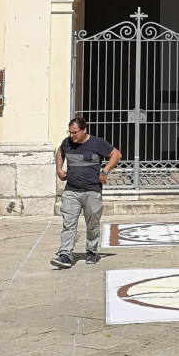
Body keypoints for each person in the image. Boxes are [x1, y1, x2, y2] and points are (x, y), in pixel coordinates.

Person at [51, 113, 120, 269]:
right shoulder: (67, 142)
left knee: (92, 225)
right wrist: (59, 170)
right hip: (71, 191)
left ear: (84, 130)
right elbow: (60, 152)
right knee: (69, 224)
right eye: (70, 132)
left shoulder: (97, 143)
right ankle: (65, 255)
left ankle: (91, 251)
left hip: (92, 191)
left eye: (75, 132)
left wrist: (105, 171)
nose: (72, 136)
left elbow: (116, 154)